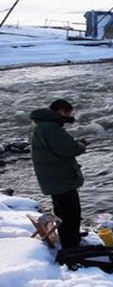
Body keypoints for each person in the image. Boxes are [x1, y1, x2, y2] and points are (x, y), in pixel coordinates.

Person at [30, 99, 89, 248]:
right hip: (60, 177)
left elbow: (57, 146)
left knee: (61, 210)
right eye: (68, 113)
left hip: (51, 176)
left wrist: (73, 143)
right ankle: (72, 242)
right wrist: (81, 145)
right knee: (71, 212)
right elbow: (69, 149)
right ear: (62, 111)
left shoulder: (40, 125)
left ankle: (69, 235)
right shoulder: (51, 128)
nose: (69, 116)